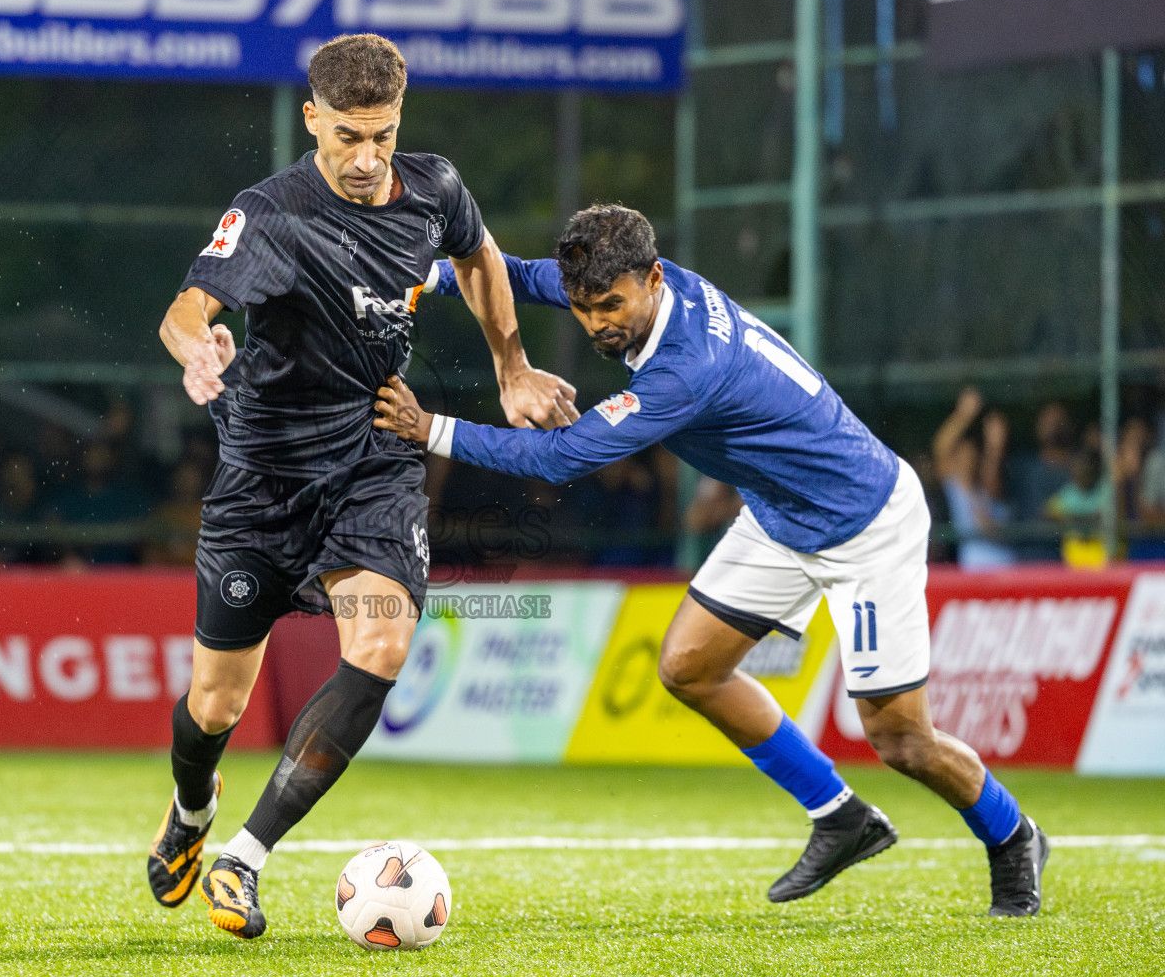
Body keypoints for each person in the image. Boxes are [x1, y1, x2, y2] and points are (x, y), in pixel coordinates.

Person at [375, 204, 1048, 918]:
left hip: (864, 524)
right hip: (781, 513)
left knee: (899, 738)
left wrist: (429, 428)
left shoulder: (686, 367)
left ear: (653, 280)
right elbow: (504, 275)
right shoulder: (632, 285)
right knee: (689, 667)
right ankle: (841, 816)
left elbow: (561, 456)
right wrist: (415, 273)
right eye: (582, 307)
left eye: (612, 305)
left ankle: (1012, 836)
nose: (598, 322)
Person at [152, 34, 574, 939]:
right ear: (312, 120)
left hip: (376, 456)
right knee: (216, 703)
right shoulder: (270, 214)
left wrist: (513, 365)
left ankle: (246, 859)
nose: (367, 157)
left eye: (381, 135)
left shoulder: (435, 189)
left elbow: (480, 257)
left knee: (382, 648)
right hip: (263, 475)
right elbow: (187, 310)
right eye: (347, 135)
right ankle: (193, 811)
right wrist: (201, 351)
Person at [932, 388, 1017, 571]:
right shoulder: (955, 487)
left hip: (1007, 566)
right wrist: (963, 415)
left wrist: (994, 445)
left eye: (970, 454)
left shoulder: (989, 482)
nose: (965, 459)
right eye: (960, 455)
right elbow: (941, 447)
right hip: (974, 569)